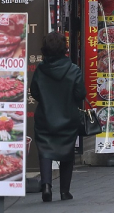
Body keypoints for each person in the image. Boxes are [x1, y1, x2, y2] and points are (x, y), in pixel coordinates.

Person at [30, 31, 84, 202]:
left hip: (45, 117)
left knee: (45, 151)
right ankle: (64, 191)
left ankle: (46, 185)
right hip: (68, 118)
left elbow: (35, 92)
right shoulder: (74, 70)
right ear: (65, 49)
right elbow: (80, 94)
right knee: (67, 152)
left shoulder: (40, 70)